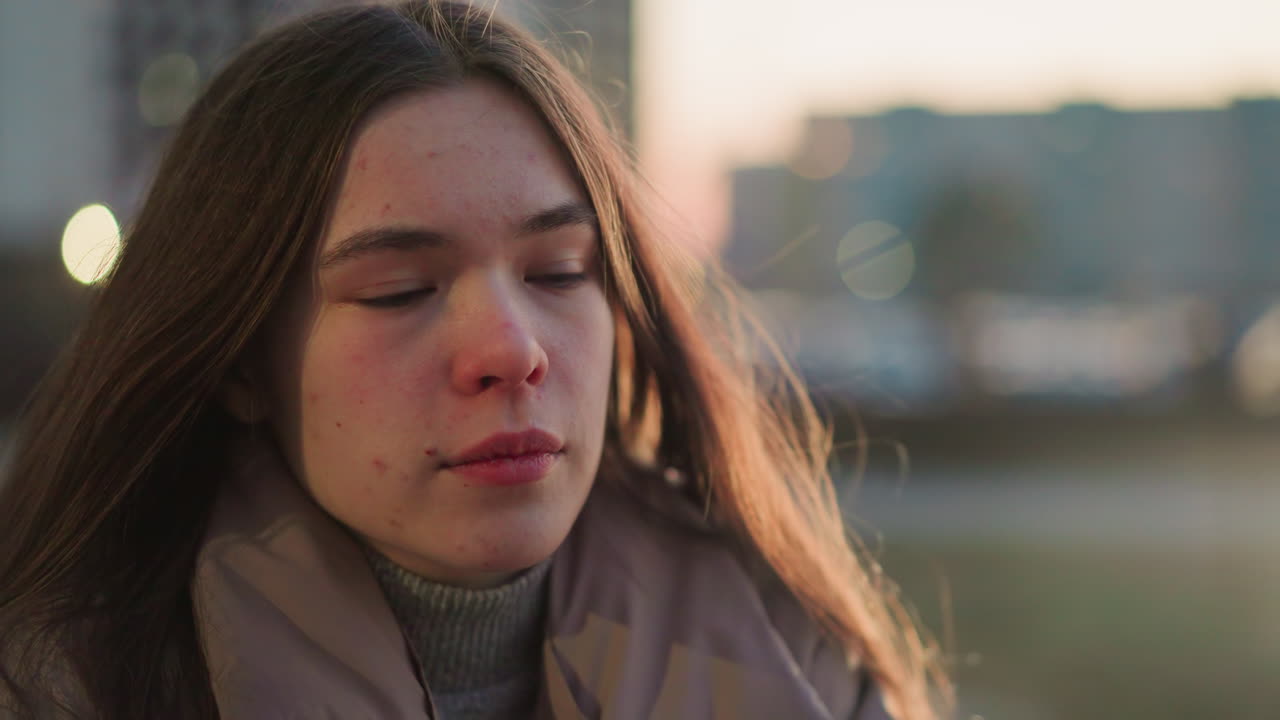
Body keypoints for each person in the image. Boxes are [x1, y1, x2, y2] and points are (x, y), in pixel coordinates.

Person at [0, 2, 950, 718]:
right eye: (399, 291)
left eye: (560, 271)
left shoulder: (795, 656)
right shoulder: (67, 686)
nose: (512, 350)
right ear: (241, 363)